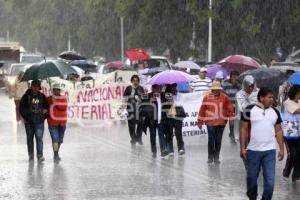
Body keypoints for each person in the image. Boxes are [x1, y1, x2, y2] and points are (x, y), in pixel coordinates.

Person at [240, 87, 285, 200]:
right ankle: (252, 197)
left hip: (269, 152)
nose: (272, 99)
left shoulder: (275, 111)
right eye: (269, 97)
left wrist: (282, 148)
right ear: (261, 97)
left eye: (273, 97)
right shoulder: (248, 110)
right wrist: (242, 148)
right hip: (253, 151)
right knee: (251, 178)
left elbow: (278, 130)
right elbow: (243, 129)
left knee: (270, 181)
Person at [198, 80, 234, 164]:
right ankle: (210, 157)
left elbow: (230, 109)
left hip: (221, 122)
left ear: (220, 89)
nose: (216, 91)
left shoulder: (225, 98)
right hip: (210, 122)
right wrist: (200, 121)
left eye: (218, 89)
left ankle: (216, 157)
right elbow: (202, 110)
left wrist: (231, 118)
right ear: (212, 89)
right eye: (215, 89)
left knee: (218, 140)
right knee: (211, 139)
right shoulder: (206, 98)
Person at [19, 80, 49, 163]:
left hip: (39, 122)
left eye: (37, 86)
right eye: (34, 86)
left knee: (39, 139)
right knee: (29, 139)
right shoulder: (26, 96)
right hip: (29, 123)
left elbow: (47, 108)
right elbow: (21, 108)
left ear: (39, 87)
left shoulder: (43, 96)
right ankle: (31, 155)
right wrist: (27, 117)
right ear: (31, 86)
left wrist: (44, 115)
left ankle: (40, 155)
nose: (35, 88)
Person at [140, 84, 168, 157]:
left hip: (160, 120)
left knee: (161, 135)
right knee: (153, 136)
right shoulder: (148, 95)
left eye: (159, 88)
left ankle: (163, 150)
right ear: (153, 89)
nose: (158, 90)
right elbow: (141, 105)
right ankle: (154, 151)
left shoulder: (163, 96)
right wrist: (149, 102)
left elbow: (168, 105)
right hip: (151, 120)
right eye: (156, 88)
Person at [282, 85, 300, 183]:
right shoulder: (287, 102)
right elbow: (297, 111)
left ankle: (296, 175)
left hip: (299, 132)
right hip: (290, 133)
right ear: (296, 93)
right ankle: (286, 172)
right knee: (293, 155)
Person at [47, 84, 68, 162]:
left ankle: (56, 153)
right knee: (55, 138)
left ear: (60, 91)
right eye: (54, 89)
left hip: (62, 122)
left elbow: (63, 107)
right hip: (52, 122)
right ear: (52, 90)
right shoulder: (49, 99)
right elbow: (45, 107)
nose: (56, 91)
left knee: (60, 139)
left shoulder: (63, 98)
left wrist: (56, 102)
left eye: (57, 89)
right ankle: (55, 155)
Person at [164, 83, 186, 156]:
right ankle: (171, 150)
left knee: (178, 132)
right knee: (169, 133)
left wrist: (174, 102)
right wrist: (168, 102)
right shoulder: (165, 95)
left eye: (175, 86)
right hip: (169, 116)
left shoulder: (179, 95)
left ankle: (181, 148)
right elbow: (164, 105)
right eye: (172, 87)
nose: (174, 88)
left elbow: (181, 103)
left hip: (178, 116)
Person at [123, 75, 145, 146]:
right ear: (131, 81)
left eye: (136, 80)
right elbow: (124, 97)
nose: (135, 82)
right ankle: (133, 138)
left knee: (140, 125)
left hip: (140, 110)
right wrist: (130, 96)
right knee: (131, 126)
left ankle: (139, 139)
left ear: (138, 81)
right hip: (131, 110)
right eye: (134, 80)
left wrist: (140, 98)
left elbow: (144, 98)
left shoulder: (141, 88)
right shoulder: (128, 88)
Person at [222, 70, 240, 142]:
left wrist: (237, 84)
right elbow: (222, 92)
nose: (235, 78)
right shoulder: (225, 83)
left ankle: (233, 132)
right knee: (231, 119)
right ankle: (232, 133)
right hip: (229, 104)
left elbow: (241, 92)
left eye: (236, 77)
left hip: (237, 104)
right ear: (231, 76)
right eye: (234, 77)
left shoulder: (239, 83)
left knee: (236, 120)